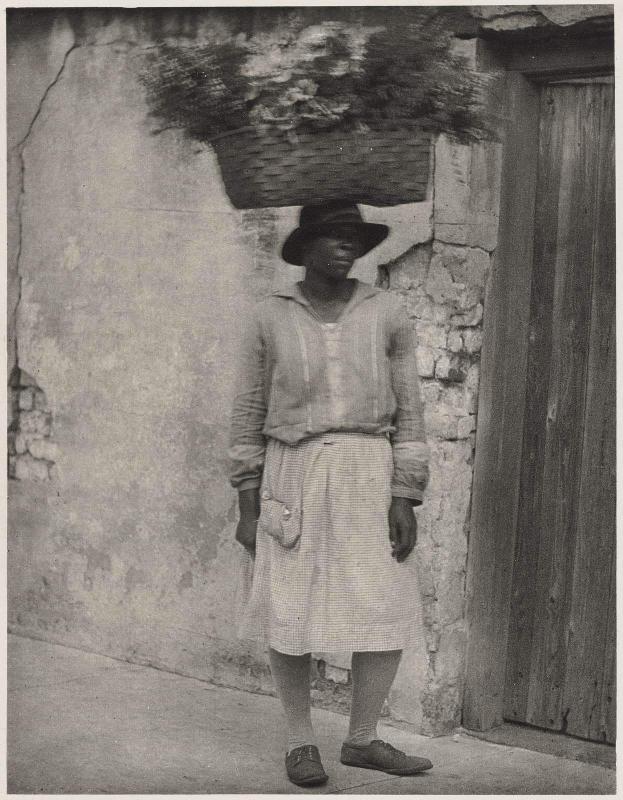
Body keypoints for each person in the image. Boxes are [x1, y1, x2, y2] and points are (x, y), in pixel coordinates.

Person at [228, 201, 432, 787]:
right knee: (289, 607)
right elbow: (247, 413)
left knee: (383, 601)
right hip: (293, 468)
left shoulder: (387, 312)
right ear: (305, 247)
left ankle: (362, 738)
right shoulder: (270, 316)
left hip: (368, 468)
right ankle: (300, 741)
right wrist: (248, 503)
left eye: (353, 237)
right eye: (333, 236)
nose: (345, 246)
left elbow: (410, 412)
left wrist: (405, 493)